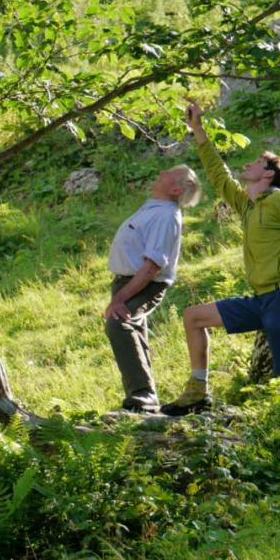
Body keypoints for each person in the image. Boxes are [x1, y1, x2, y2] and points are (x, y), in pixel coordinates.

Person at [162, 100, 280, 448]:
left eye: (257, 162)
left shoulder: (279, 201)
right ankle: (198, 391)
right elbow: (218, 174)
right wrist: (198, 130)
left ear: (269, 174)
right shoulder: (249, 205)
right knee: (193, 317)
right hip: (261, 299)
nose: (248, 163)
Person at [104, 165, 201, 413]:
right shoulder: (154, 209)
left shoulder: (166, 216)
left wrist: (120, 299)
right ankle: (144, 397)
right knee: (133, 329)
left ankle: (143, 394)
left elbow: (152, 266)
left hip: (144, 282)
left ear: (176, 188)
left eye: (169, 172)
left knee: (119, 323)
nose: (162, 172)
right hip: (128, 281)